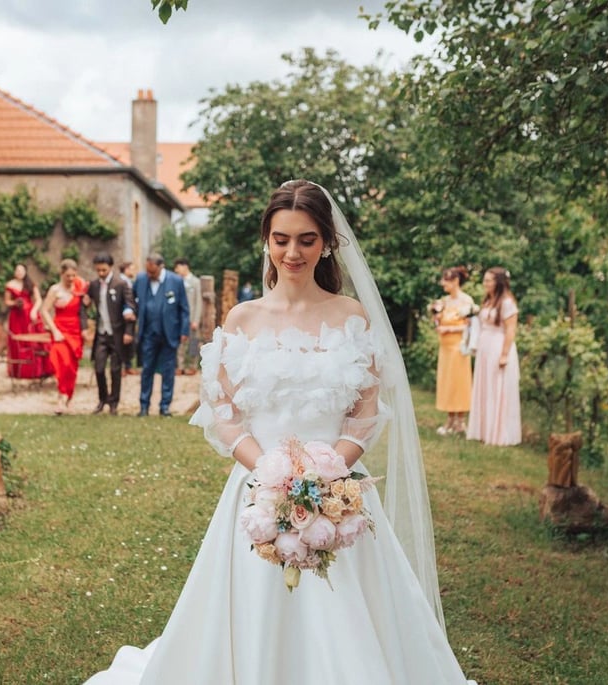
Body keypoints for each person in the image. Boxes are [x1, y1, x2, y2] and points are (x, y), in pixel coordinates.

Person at [85, 180, 472, 684]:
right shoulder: (243, 319)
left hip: (338, 493)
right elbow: (225, 414)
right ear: (266, 240)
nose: (293, 251)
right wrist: (270, 474)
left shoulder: (350, 316)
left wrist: (326, 470)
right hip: (256, 493)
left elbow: (364, 413)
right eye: (282, 238)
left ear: (327, 242)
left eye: (307, 239)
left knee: (349, 618)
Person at [467, 266, 521, 446]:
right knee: (486, 388)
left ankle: (499, 434)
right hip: (485, 348)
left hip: (499, 347)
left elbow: (511, 329)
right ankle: (483, 431)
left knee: (497, 390)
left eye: (488, 280)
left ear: (498, 282)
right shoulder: (489, 301)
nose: (485, 283)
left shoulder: (507, 303)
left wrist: (504, 355)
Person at [132, 253, 189, 417]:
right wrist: (129, 310)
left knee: (168, 372)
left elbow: (184, 308)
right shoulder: (141, 279)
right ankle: (144, 406)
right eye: (148, 271)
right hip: (148, 333)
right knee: (147, 370)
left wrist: (184, 331)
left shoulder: (176, 281)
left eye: (153, 272)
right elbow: (131, 299)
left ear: (161, 267)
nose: (150, 275)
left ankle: (165, 406)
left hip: (169, 333)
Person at [85, 254, 136, 415]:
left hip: (117, 334)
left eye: (104, 270)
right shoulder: (93, 285)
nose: (101, 273)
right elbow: (84, 304)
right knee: (99, 368)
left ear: (111, 267)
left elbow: (131, 308)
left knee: (115, 370)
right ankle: (102, 399)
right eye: (98, 270)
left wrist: (128, 332)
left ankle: (114, 402)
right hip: (101, 334)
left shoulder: (121, 284)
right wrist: (84, 322)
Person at [40, 259, 87, 415]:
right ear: (61, 274)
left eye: (74, 275)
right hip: (60, 329)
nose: (71, 279)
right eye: (68, 275)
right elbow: (44, 310)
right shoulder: (55, 290)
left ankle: (68, 398)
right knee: (61, 362)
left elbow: (87, 304)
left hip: (75, 330)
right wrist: (54, 330)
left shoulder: (79, 288)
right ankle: (61, 397)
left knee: (72, 367)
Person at [434, 266, 476, 435]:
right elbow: (439, 322)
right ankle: (450, 419)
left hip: (459, 347)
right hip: (444, 348)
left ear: (456, 281)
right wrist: (437, 320)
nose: (443, 283)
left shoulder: (467, 301)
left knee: (460, 383)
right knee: (448, 383)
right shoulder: (444, 301)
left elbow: (470, 326)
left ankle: (460, 420)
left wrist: (449, 330)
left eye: (446, 280)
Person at [4, 263, 50, 379]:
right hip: (17, 317)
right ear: (14, 272)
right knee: (19, 341)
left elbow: (38, 299)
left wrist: (34, 311)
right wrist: (15, 303)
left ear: (25, 272)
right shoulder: (10, 285)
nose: (19, 272)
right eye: (17, 270)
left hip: (30, 315)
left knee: (34, 341)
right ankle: (21, 370)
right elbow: (7, 301)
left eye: (21, 270)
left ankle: (38, 370)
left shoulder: (30, 284)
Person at [172, 258, 202, 375]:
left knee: (194, 342)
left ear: (185, 266)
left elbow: (198, 302)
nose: (176, 270)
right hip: (179, 319)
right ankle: (180, 366)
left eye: (177, 267)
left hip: (192, 318)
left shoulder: (195, 282)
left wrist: (196, 320)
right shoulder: (176, 281)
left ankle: (193, 366)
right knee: (180, 344)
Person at [118, 260, 138, 376]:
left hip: (130, 315)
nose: (134, 271)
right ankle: (120, 366)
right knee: (121, 341)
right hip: (122, 317)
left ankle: (127, 365)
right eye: (132, 268)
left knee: (129, 341)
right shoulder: (120, 282)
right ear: (126, 269)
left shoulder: (130, 282)